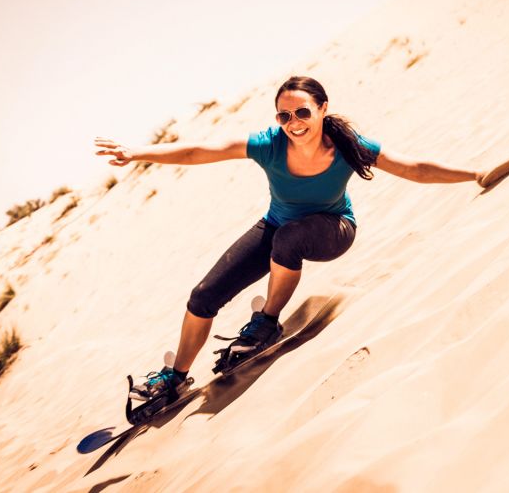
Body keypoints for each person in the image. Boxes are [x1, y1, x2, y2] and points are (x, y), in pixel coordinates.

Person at [95, 76, 487, 400]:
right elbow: (200, 151)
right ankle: (175, 378)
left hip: (332, 231)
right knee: (202, 296)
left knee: (290, 239)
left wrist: (475, 174)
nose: (294, 122)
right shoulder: (269, 145)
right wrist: (138, 153)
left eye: (302, 112)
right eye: (284, 115)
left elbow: (415, 168)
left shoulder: (349, 146)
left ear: (322, 108)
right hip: (277, 225)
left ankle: (266, 322)